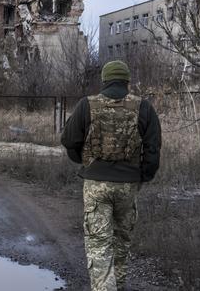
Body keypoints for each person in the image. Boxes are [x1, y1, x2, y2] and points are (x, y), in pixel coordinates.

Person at [61, 60, 161, 291]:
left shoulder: (87, 105)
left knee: (99, 243)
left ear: (104, 80)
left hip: (96, 183)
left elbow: (68, 140)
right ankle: (118, 286)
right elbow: (153, 148)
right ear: (127, 81)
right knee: (121, 242)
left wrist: (85, 163)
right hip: (128, 184)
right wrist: (142, 176)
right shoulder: (143, 107)